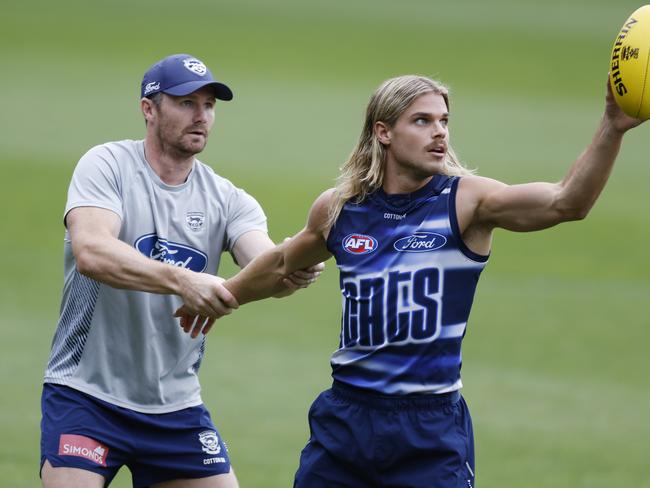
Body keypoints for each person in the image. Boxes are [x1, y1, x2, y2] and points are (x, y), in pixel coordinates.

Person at [180, 74, 645, 487]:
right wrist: (223, 295)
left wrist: (612, 125)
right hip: (346, 419)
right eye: (422, 121)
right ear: (383, 132)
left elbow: (567, 203)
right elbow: (281, 262)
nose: (439, 131)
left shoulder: (468, 203)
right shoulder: (341, 208)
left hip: (430, 427)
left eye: (443, 121)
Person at [40, 53, 322, 488]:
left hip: (174, 406)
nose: (201, 116)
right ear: (148, 108)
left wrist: (292, 265)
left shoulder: (229, 199)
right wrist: (183, 280)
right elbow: (92, 252)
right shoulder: (107, 165)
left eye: (209, 105)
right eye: (186, 102)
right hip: (85, 394)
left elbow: (267, 265)